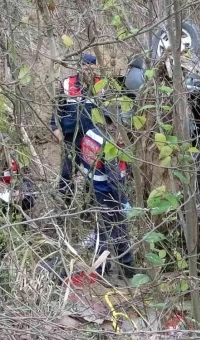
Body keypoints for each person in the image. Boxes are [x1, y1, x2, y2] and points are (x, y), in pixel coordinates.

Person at [78, 109, 137, 278]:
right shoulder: (108, 143)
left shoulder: (90, 133)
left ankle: (103, 270)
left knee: (102, 231)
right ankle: (126, 270)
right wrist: (123, 201)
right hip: (109, 193)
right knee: (118, 232)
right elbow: (114, 179)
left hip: (95, 190)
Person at [50, 53, 101, 205]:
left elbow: (109, 112)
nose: (88, 70)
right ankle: (65, 205)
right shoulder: (67, 83)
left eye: (92, 67)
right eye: (85, 66)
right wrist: (55, 128)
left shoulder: (100, 85)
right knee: (66, 173)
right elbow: (58, 108)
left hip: (93, 140)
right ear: (79, 67)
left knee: (92, 175)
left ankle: (89, 207)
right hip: (71, 138)